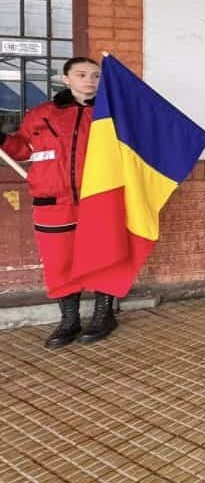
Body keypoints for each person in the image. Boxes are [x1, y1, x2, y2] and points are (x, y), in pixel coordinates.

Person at [0, 57, 123, 347]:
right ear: (65, 79)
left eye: (95, 75)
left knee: (104, 257)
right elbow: (22, 149)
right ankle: (69, 321)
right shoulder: (41, 114)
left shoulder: (111, 115)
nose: (89, 80)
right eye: (81, 74)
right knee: (59, 262)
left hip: (99, 201)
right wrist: (2, 139)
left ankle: (103, 315)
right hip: (53, 203)